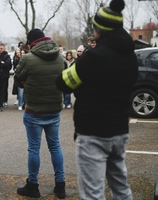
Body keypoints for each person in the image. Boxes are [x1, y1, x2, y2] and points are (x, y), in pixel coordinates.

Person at [56, 0, 138, 199]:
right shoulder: (131, 56)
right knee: (121, 187)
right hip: (119, 130)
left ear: (101, 29)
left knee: (93, 193)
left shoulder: (94, 57)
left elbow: (63, 83)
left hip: (94, 133)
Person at [15, 28, 65, 198]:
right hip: (54, 110)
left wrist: (25, 81)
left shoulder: (28, 58)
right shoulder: (60, 57)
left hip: (34, 111)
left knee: (34, 150)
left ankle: (33, 186)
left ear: (31, 42)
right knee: (55, 146)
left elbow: (17, 79)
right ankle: (60, 185)